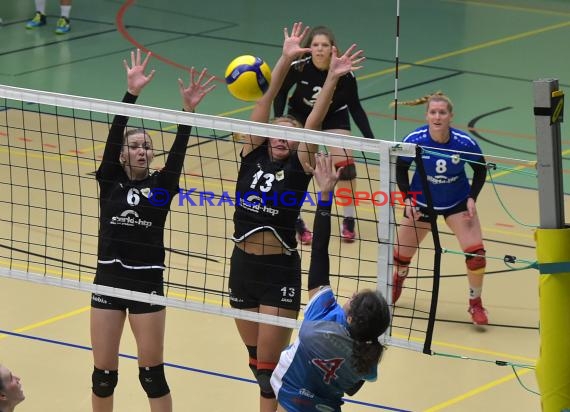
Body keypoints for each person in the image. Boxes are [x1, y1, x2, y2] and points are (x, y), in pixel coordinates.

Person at [229, 22, 365, 412]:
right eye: (275, 131)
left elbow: (311, 126)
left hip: (278, 272)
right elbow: (266, 103)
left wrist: (335, 80)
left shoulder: (298, 166)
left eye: (286, 134)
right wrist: (285, 60)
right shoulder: (252, 152)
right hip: (242, 266)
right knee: (256, 365)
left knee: (268, 374)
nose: (279, 137)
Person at [90, 49, 215, 412]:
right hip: (108, 279)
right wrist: (131, 94)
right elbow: (115, 132)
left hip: (146, 282)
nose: (142, 150)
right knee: (103, 375)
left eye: (147, 146)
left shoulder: (161, 187)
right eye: (134, 146)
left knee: (152, 375)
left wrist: (187, 112)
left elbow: (178, 151)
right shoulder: (109, 179)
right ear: (122, 155)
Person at [271, 153, 391, 412]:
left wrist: (325, 197)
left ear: (349, 318)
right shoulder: (368, 359)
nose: (351, 296)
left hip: (292, 397)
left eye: (354, 299)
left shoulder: (321, 319)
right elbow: (353, 386)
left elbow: (319, 252)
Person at [391, 92, 489, 325]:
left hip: (456, 202)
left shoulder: (465, 142)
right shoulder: (415, 138)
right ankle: (398, 280)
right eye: (433, 112)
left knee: (476, 256)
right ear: (427, 116)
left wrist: (472, 198)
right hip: (422, 203)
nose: (437, 116)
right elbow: (400, 168)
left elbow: (480, 170)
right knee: (400, 257)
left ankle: (475, 304)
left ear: (450, 116)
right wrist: (407, 199)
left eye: (442, 112)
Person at [274, 25, 375, 244]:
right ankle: (295, 219)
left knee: (345, 166)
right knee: (296, 166)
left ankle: (348, 219)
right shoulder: (299, 67)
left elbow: (355, 107)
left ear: (332, 49)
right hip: (301, 114)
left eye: (324, 45)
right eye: (315, 45)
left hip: (333, 116)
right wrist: (279, 121)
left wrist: (370, 139)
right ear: (309, 48)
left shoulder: (344, 73)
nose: (319, 49)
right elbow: (281, 92)